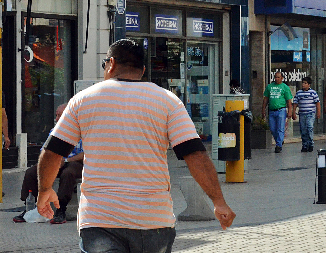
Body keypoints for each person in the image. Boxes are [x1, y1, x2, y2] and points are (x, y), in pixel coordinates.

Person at [36, 39, 235, 251]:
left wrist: (44, 189)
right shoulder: (168, 101)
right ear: (143, 69)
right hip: (154, 221)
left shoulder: (83, 100)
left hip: (100, 220)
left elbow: (53, 152)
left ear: (110, 63)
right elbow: (195, 155)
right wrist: (218, 202)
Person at [13, 103, 83, 224]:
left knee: (68, 173)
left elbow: (86, 154)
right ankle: (30, 206)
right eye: (56, 115)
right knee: (31, 172)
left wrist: (65, 160)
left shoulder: (82, 132)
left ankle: (61, 210)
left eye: (59, 116)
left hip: (74, 162)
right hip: (56, 160)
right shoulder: (54, 131)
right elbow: (44, 152)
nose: (56, 119)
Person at [262, 71, 294, 153]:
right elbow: (265, 99)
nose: (276, 79)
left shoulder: (285, 87)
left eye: (278, 77)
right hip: (271, 111)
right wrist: (263, 109)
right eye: (275, 77)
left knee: (280, 128)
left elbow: (289, 101)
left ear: (282, 78)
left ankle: (278, 145)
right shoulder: (269, 87)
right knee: (272, 128)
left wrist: (290, 111)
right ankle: (279, 140)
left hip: (281, 110)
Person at [293, 77, 321, 153]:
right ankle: (304, 145)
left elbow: (317, 103)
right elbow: (295, 103)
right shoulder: (299, 93)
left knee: (309, 127)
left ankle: (310, 144)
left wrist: (318, 112)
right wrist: (293, 112)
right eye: (303, 83)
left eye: (305, 83)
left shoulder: (313, 93)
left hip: (310, 113)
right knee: (303, 129)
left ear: (309, 84)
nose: (303, 84)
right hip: (302, 114)